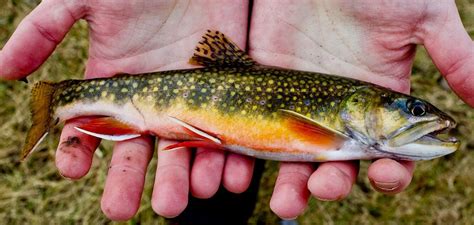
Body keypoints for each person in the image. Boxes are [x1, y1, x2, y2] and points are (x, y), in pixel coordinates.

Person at [1, 0, 472, 222]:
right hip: (203, 103)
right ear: (361, 106)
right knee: (205, 191)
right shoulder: (334, 131)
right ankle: (59, 100)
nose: (423, 118)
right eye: (410, 109)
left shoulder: (340, 125)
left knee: (224, 182)